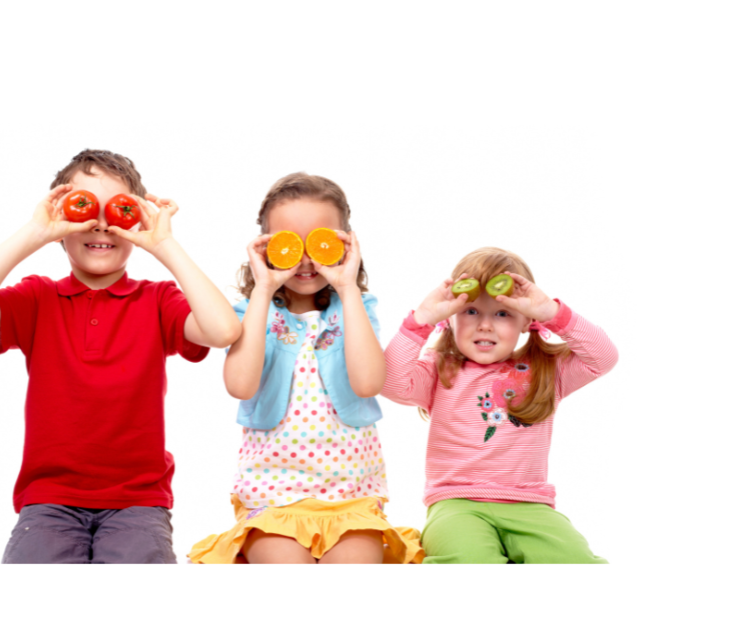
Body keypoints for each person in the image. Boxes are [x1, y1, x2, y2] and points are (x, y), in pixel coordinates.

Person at [0, 149, 241, 563]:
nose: (101, 223)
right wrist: (34, 231)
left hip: (138, 500)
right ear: (60, 225)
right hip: (49, 498)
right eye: (83, 209)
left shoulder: (157, 300)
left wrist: (164, 243)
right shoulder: (38, 297)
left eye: (116, 210)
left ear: (136, 219)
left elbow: (223, 330)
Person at [189, 173, 423, 564]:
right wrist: (262, 288)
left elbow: (368, 382)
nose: (306, 258)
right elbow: (240, 386)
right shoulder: (252, 312)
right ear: (266, 248)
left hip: (351, 495)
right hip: (271, 495)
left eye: (321, 242)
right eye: (289, 244)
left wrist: (347, 287)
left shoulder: (356, 308)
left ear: (346, 244)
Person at [381, 246, 617, 563]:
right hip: (456, 504)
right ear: (449, 318)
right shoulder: (441, 368)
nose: (486, 325)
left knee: (575, 562)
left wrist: (552, 313)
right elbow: (390, 382)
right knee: (468, 561)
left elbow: (605, 357)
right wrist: (420, 321)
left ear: (526, 322)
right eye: (471, 311)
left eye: (503, 313)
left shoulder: (546, 368)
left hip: (530, 504)